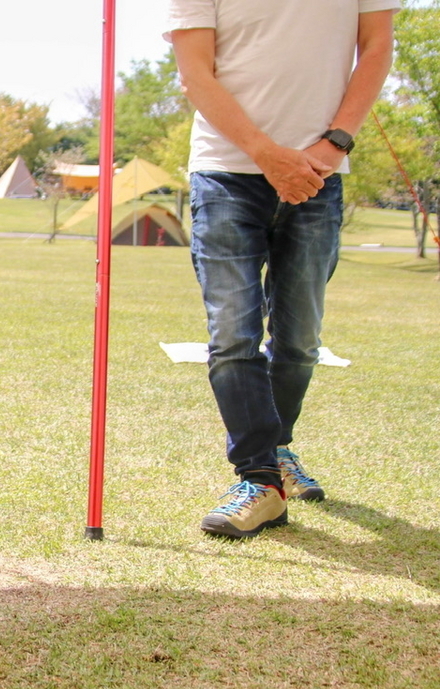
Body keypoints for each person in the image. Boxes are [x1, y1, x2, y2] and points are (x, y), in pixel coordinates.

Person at [167, 0, 398, 538]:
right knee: (232, 335)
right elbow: (195, 73)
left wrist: (335, 143)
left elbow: (377, 47)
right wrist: (266, 153)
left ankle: (274, 450)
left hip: (319, 171)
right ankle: (260, 478)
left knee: (299, 339)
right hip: (226, 173)